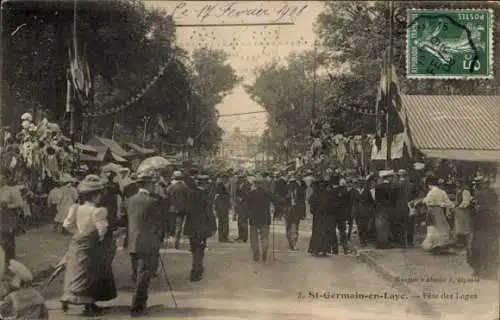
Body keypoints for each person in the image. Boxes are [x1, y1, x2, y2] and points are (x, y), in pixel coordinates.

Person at [60, 174, 116, 316]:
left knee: (75, 270)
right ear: (96, 195)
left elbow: (66, 224)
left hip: (78, 242)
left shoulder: (76, 208)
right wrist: (96, 236)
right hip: (92, 244)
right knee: (90, 272)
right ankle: (88, 303)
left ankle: (67, 299)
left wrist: (78, 233)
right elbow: (102, 230)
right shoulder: (98, 211)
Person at [124, 170, 166, 317]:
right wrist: (159, 239)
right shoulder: (153, 202)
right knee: (144, 276)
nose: (154, 187)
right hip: (148, 243)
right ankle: (137, 307)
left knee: (137, 275)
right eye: (152, 184)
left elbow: (125, 221)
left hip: (133, 242)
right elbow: (159, 224)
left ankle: (142, 303)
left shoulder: (130, 200)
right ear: (148, 185)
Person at [184, 175, 217, 281]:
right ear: (205, 184)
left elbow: (186, 209)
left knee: (194, 249)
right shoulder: (204, 196)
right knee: (199, 249)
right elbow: (209, 213)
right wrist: (213, 227)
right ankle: (196, 271)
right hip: (202, 227)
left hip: (191, 227)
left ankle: (197, 268)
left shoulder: (190, 194)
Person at [467, 177, 498, 279]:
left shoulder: (479, 194)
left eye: (477, 184)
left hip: (482, 221)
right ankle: (487, 271)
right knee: (489, 247)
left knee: (478, 247)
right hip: (490, 221)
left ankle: (479, 270)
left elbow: (473, 209)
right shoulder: (492, 192)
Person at [419, 175, 454, 254]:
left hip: (431, 210)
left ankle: (432, 244)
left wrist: (422, 201)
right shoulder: (442, 192)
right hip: (439, 210)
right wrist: (452, 206)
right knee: (441, 226)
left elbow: (426, 201)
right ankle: (440, 243)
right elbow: (448, 202)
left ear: (429, 184)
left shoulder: (431, 192)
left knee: (431, 227)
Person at [246, 176, 273, 262]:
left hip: (253, 219)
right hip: (265, 218)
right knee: (264, 236)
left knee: (254, 237)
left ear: (255, 184)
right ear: (263, 184)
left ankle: (256, 254)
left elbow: (247, 207)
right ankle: (264, 249)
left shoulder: (251, 193)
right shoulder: (268, 193)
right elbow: (277, 200)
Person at [166, 171, 189, 249]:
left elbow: (166, 196)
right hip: (181, 209)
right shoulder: (185, 187)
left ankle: (171, 240)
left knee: (171, 225)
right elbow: (188, 197)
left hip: (171, 209)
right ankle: (176, 242)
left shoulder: (171, 186)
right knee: (178, 227)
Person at [308, 178, 330, 256]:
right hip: (321, 215)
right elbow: (311, 204)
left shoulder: (317, 193)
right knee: (320, 232)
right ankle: (318, 249)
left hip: (321, 215)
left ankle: (319, 249)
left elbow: (311, 204)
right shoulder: (324, 193)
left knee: (320, 232)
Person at [351, 177, 376, 247]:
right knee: (359, 227)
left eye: (362, 182)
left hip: (365, 211)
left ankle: (364, 240)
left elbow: (371, 201)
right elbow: (352, 202)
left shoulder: (367, 191)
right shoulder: (354, 191)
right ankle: (362, 241)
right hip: (357, 212)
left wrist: (369, 209)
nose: (360, 184)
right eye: (359, 182)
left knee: (365, 226)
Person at [285, 177, 306, 250]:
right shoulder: (286, 191)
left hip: (296, 211)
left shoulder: (300, 191)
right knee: (289, 228)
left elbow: (303, 203)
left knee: (294, 228)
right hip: (288, 211)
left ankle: (293, 244)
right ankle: (291, 242)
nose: (292, 185)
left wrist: (303, 213)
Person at [454, 178, 472, 250]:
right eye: (457, 183)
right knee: (458, 226)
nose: (457, 184)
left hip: (463, 211)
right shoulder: (459, 190)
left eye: (458, 183)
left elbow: (466, 202)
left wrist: (459, 207)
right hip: (459, 211)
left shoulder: (465, 190)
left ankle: (464, 244)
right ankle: (460, 243)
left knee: (463, 226)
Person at [214, 176, 231, 243]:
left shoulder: (217, 194)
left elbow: (215, 202)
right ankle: (225, 237)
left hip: (219, 209)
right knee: (225, 223)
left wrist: (215, 209)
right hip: (224, 209)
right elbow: (228, 199)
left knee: (220, 223)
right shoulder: (225, 194)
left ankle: (221, 238)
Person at [235, 175, 250, 242]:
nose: (239, 180)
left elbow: (248, 195)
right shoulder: (239, 186)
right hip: (240, 206)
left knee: (243, 221)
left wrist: (241, 198)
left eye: (240, 179)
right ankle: (240, 236)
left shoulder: (246, 186)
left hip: (244, 205)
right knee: (239, 221)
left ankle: (244, 237)